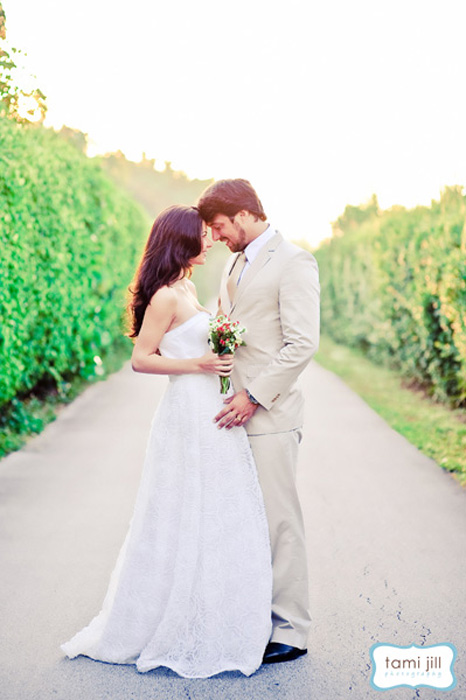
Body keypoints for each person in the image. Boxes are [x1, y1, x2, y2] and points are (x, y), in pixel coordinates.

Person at [61, 205, 273, 678]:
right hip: (186, 412)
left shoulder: (189, 287)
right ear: (182, 240)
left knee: (214, 508)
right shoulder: (163, 297)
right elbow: (141, 359)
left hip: (208, 408)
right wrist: (198, 365)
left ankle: (212, 610)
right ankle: (163, 617)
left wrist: (222, 346)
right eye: (203, 234)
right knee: (180, 508)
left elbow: (196, 343)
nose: (211, 240)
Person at [198, 179, 320, 665]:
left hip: (269, 414)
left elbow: (302, 343)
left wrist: (253, 395)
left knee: (278, 522)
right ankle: (249, 619)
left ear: (244, 214)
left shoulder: (294, 262)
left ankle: (291, 628)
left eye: (221, 226)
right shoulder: (232, 262)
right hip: (230, 412)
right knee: (241, 523)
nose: (218, 237)